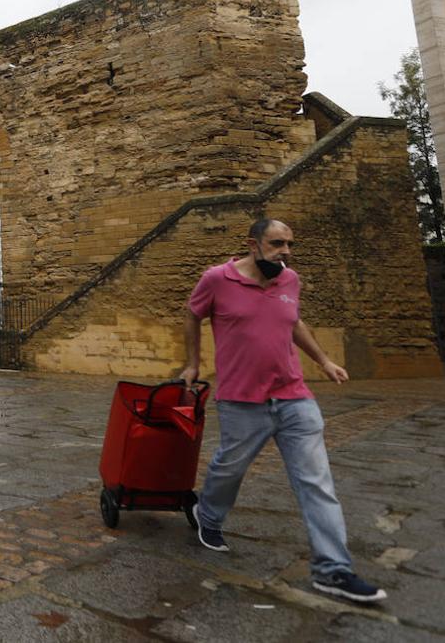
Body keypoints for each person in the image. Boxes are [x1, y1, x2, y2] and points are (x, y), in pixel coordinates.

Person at [179, 218, 386, 604]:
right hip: (242, 400)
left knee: (316, 482)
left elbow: (294, 323)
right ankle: (207, 516)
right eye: (277, 243)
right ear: (253, 245)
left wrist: (324, 360)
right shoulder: (217, 279)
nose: (285, 251)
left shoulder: (290, 280)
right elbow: (192, 314)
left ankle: (333, 570)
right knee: (229, 467)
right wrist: (192, 363)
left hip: (294, 398)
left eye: (289, 244)